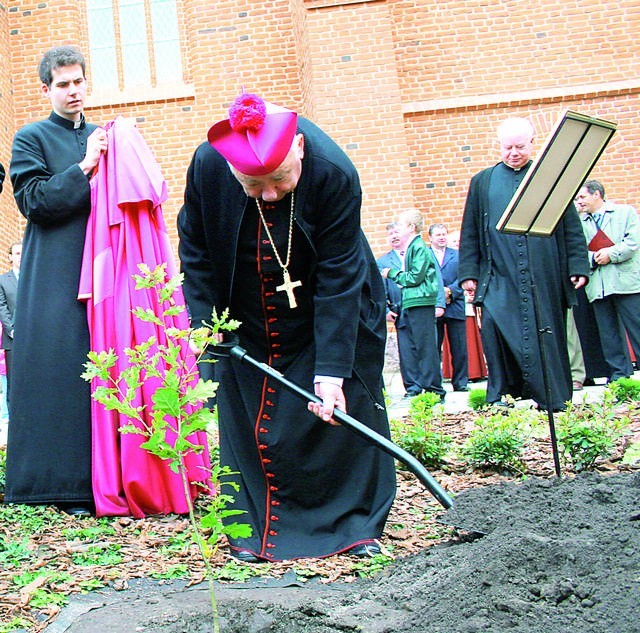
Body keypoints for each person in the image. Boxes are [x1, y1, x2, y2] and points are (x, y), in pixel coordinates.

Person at [178, 92, 396, 562]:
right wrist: (205, 321)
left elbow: (339, 275)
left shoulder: (334, 172)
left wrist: (332, 371)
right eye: (252, 186)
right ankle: (254, 529)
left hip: (331, 311)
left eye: (278, 180)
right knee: (248, 407)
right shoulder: (208, 165)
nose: (270, 194)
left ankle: (352, 526)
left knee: (338, 408)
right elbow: (194, 249)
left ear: (297, 147)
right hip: (246, 312)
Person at [5, 46, 108, 516]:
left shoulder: (106, 135)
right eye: (63, 84)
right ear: (46, 89)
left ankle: (114, 478)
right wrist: (84, 167)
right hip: (56, 274)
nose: (73, 91)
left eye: (78, 81)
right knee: (62, 373)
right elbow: (34, 202)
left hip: (106, 267)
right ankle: (62, 487)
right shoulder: (31, 138)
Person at [458, 117, 589, 411]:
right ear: (499, 146)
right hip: (499, 275)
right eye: (507, 147)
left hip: (544, 274)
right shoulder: (483, 181)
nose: (513, 153)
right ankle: (501, 397)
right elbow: (470, 230)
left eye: (519, 146)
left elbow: (570, 227)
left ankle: (553, 398)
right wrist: (468, 272)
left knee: (547, 333)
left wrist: (577, 265)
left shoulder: (549, 178)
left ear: (532, 143)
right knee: (494, 329)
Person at [574, 179, 640, 380]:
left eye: (583, 197)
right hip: (598, 286)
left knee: (637, 327)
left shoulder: (624, 213)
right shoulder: (578, 222)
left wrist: (611, 253)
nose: (579, 202)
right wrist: (593, 258)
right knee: (608, 334)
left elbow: (633, 241)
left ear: (597, 194)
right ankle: (619, 375)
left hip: (627, 283)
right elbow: (576, 250)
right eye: (577, 198)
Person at [381, 209, 446, 401]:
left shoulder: (418, 247)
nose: (397, 230)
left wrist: (391, 274)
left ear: (411, 227)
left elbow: (415, 277)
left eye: (400, 225)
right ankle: (429, 388)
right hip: (414, 302)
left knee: (426, 348)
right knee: (419, 347)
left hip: (420, 301)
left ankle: (435, 390)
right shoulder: (413, 247)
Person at [376, 222, 422, 396]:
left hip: (419, 307)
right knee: (407, 350)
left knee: (425, 347)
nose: (394, 236)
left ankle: (429, 382)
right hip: (400, 311)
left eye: (396, 232)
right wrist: (386, 311)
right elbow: (380, 288)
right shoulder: (383, 261)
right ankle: (412, 387)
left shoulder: (416, 253)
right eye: (390, 234)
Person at [429, 223, 468, 391]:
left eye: (444, 234)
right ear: (430, 237)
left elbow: (464, 277)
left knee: (459, 347)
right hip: (433, 306)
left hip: (455, 305)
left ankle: (461, 383)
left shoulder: (458, 255)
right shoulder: (425, 255)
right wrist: (439, 293)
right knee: (434, 348)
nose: (442, 237)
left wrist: (450, 291)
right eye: (438, 234)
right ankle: (436, 384)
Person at [0, 241, 21, 401]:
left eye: (23, 253)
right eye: (17, 254)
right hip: (12, 340)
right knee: (14, 384)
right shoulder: (2, 281)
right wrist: (12, 330)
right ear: (10, 257)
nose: (21, 257)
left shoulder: (34, 280)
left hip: (35, 339)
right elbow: (2, 307)